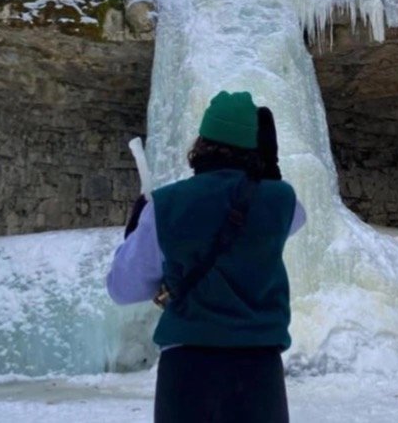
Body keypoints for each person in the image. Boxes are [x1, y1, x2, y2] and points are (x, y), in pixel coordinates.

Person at [107, 91, 306, 423]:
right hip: (260, 372)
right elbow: (292, 220)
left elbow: (123, 288)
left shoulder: (165, 205)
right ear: (254, 147)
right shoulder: (281, 201)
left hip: (187, 371)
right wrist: (268, 168)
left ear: (201, 143)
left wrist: (135, 227)